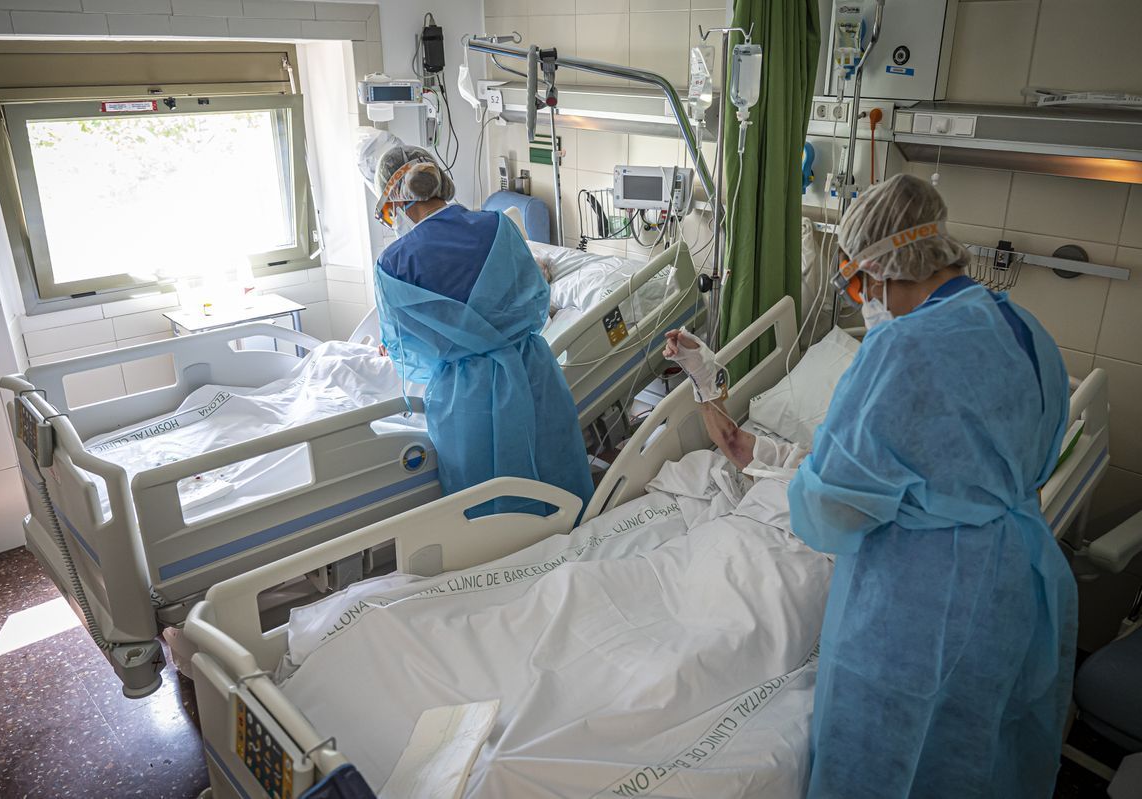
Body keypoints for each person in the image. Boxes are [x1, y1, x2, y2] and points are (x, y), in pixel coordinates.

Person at [665, 173, 1076, 798]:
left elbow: (827, 510)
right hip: (1015, 584)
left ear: (882, 268)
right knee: (985, 753)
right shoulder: (1024, 331)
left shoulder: (899, 353)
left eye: (858, 284)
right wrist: (704, 375)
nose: (864, 303)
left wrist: (806, 478)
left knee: (900, 763)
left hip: (919, 601)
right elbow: (743, 448)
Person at [355, 129, 593, 515]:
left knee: (488, 508)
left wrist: (457, 345)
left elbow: (406, 354)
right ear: (437, 182)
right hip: (533, 374)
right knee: (555, 480)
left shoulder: (393, 264)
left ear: (395, 200)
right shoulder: (498, 227)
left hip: (464, 397)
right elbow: (536, 301)